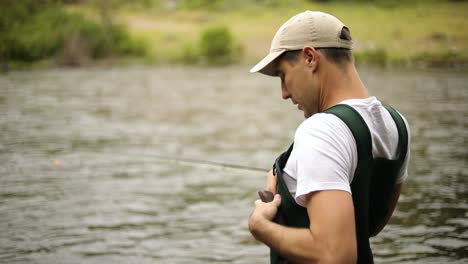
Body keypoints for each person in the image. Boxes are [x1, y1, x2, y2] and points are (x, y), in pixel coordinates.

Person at [247, 11, 410, 264]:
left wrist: (261, 226)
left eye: (283, 75)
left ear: (310, 57)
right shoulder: (396, 123)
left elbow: (335, 255)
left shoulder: (321, 131)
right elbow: (369, 227)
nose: (284, 93)